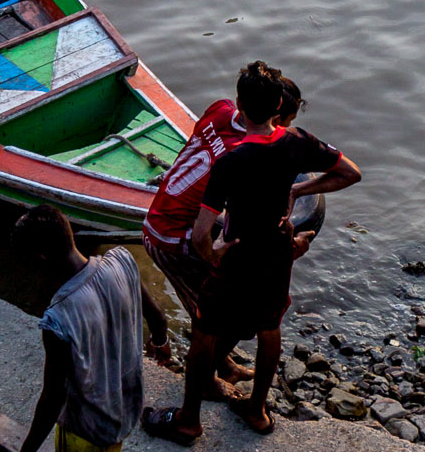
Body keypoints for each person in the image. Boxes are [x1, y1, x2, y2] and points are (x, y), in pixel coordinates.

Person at [144, 64, 360, 443]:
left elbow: (212, 225)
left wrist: (215, 249)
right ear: (279, 109)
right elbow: (349, 172)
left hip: (217, 234)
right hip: (192, 236)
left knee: (215, 323)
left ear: (240, 103)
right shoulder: (293, 144)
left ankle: (193, 411)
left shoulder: (221, 115)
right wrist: (217, 254)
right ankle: (239, 399)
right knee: (244, 325)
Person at [142, 70, 303, 396]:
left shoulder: (221, 108)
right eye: (287, 124)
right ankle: (204, 379)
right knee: (224, 308)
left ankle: (223, 364)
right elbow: (216, 231)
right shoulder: (246, 155)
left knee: (216, 296)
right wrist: (219, 264)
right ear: (276, 118)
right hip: (171, 236)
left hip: (166, 212)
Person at [15, 204, 169, 452]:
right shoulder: (122, 261)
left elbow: (54, 398)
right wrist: (160, 342)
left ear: (40, 257)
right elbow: (158, 317)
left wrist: (28, 448)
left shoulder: (59, 318)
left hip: (86, 431)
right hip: (126, 411)